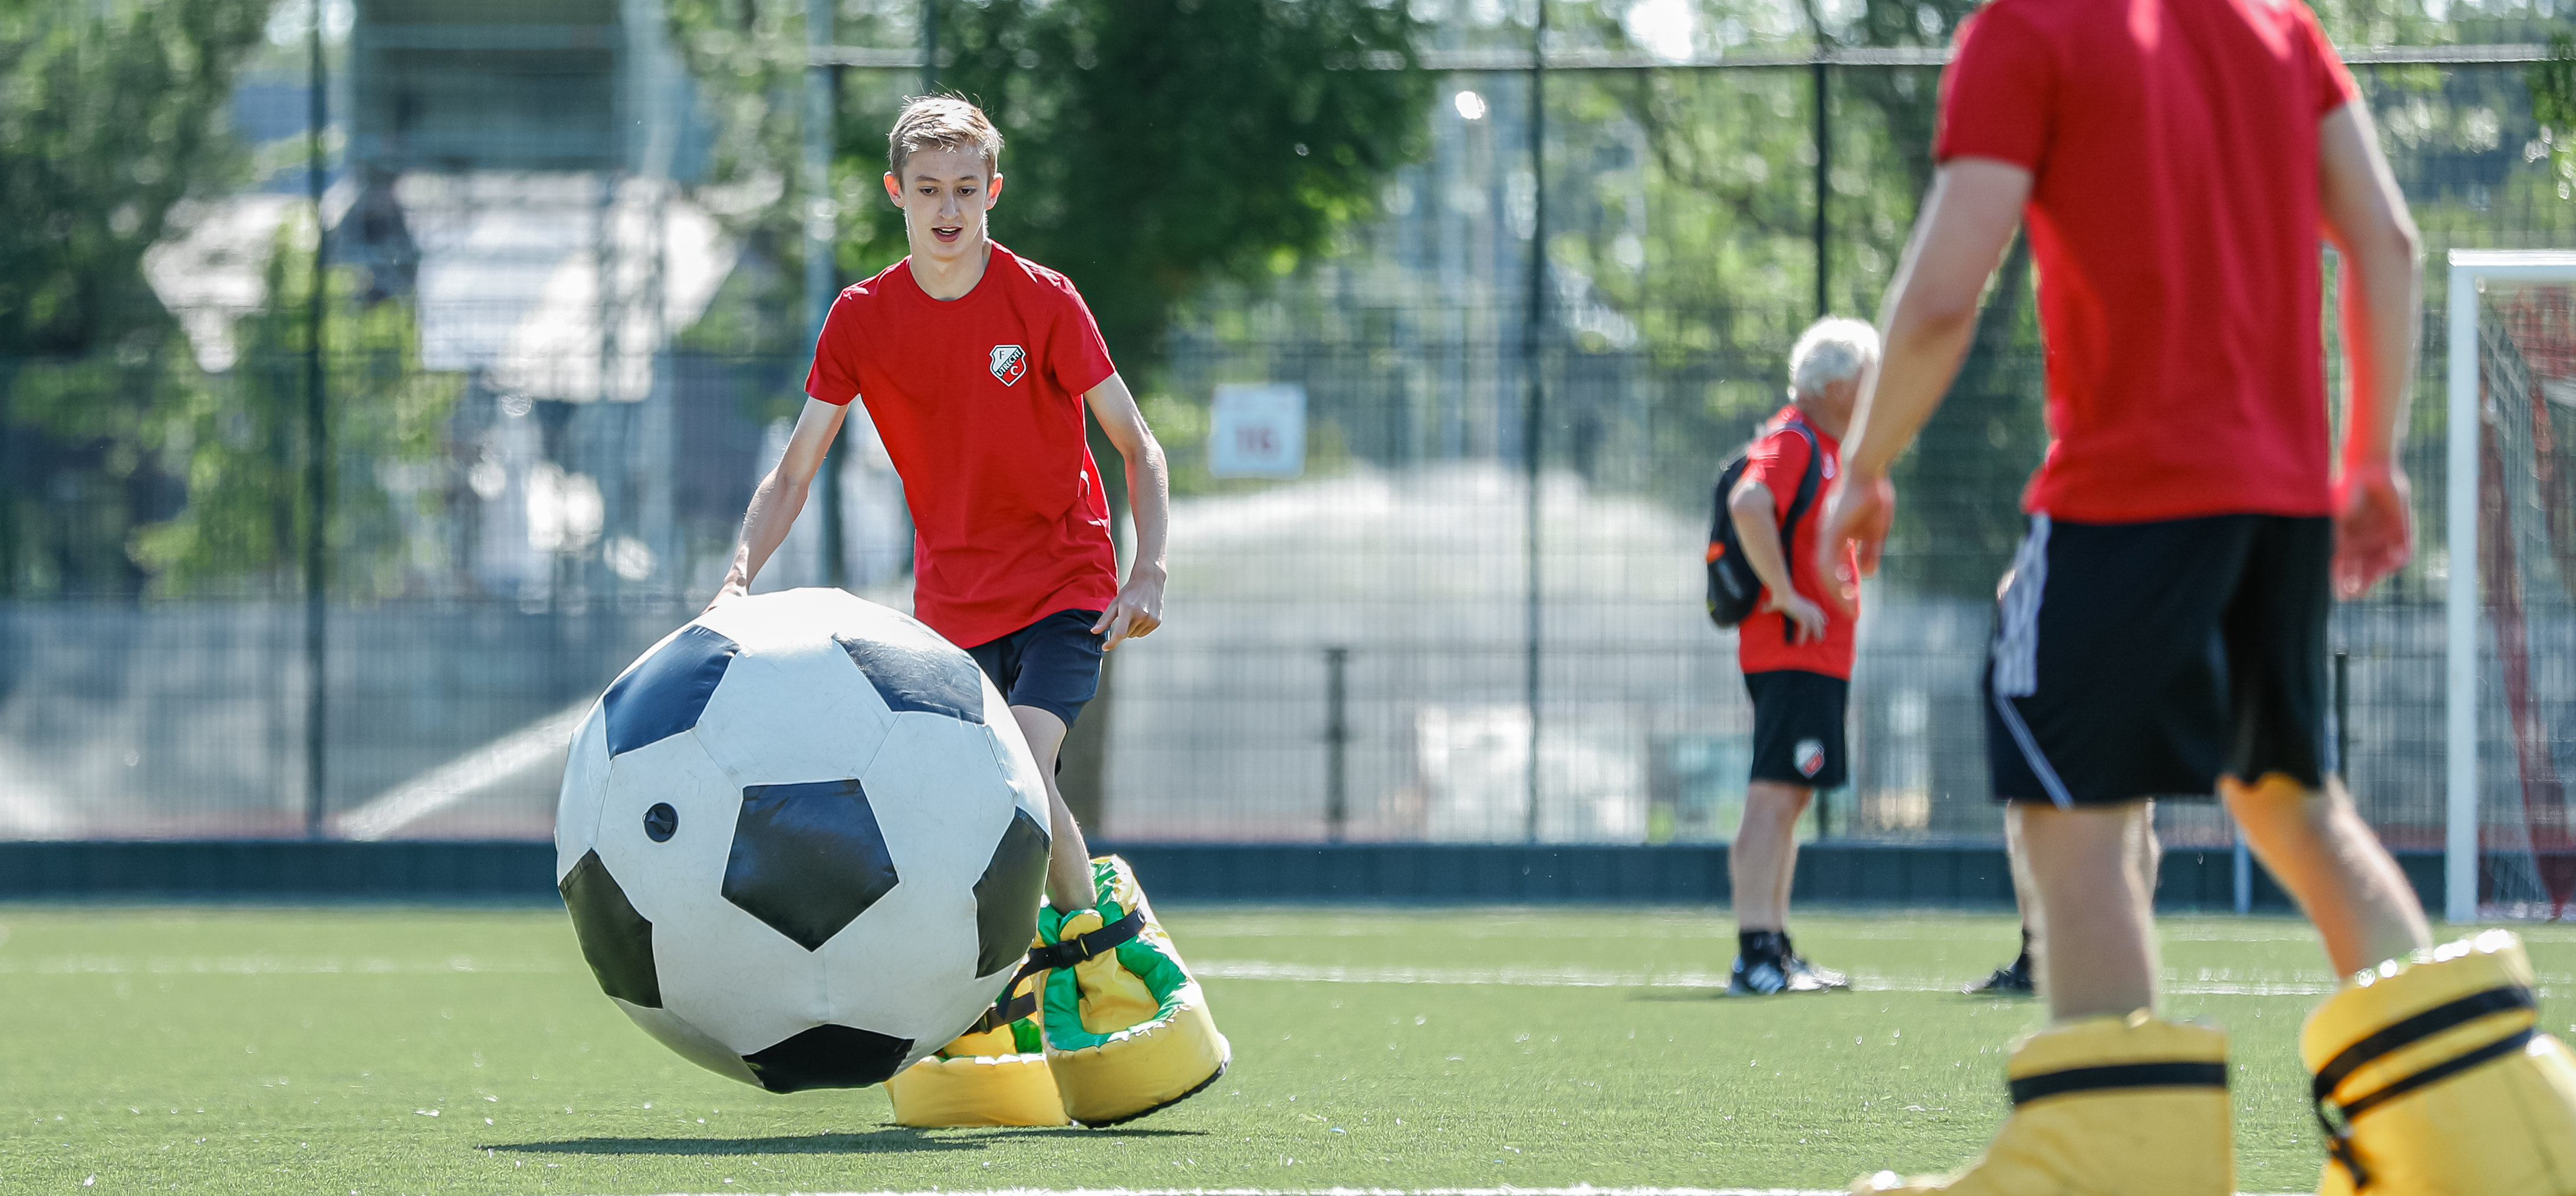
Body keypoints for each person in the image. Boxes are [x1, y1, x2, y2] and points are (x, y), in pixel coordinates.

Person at [1818, 0, 2576, 1187]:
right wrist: (2367, 457)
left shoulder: (2029, 32)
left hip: (2127, 499)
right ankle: (2488, 1145)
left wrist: (1861, 468)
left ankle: (2122, 1165)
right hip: (2278, 504)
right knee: (2291, 799)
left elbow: (1941, 298)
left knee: (2072, 802)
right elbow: (2384, 239)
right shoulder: (2276, 27)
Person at [710, 96, 1227, 1128]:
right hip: (949, 605)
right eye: (928, 191)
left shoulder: (1043, 301)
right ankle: (987, 998)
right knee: (963, 803)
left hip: (1065, 585)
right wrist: (734, 578)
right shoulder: (861, 316)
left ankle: (1100, 964)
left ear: (991, 192)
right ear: (897, 194)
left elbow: (1140, 447)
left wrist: (1148, 569)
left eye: (966, 190)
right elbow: (795, 469)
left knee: (1021, 773)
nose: (948, 210)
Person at [1723, 317, 1876, 997]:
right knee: (1774, 793)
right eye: (1866, 380)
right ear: (1837, 384)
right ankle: (1753, 952)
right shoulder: (1795, 441)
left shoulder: (1827, 451)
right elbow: (1748, 503)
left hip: (1815, 656)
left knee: (1791, 795)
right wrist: (1783, 593)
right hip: (1790, 652)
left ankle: (1775, 947)